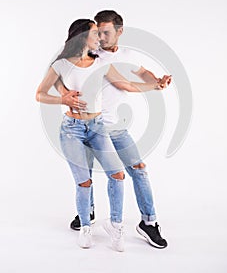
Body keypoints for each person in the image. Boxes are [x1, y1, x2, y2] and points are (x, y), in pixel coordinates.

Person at [36, 18, 167, 251]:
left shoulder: (106, 60)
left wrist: (155, 85)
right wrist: (63, 96)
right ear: (83, 36)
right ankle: (87, 221)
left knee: (124, 173)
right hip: (75, 128)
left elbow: (129, 82)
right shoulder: (65, 63)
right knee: (84, 180)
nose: (101, 38)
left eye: (104, 33)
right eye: (97, 33)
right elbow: (47, 87)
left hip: (104, 127)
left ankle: (132, 224)